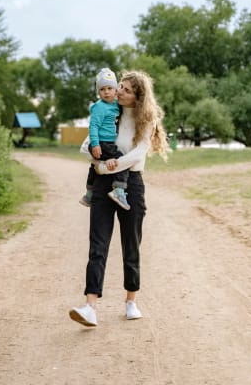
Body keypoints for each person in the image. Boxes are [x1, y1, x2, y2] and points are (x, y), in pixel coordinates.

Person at [69, 70, 169, 327]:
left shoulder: (146, 119)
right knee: (98, 245)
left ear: (138, 95)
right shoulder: (108, 111)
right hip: (103, 184)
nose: (118, 91)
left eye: (125, 89)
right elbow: (85, 145)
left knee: (131, 244)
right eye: (119, 87)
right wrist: (98, 163)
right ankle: (90, 307)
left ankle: (131, 301)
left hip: (132, 185)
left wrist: (109, 166)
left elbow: (138, 154)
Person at [80, 68, 130, 210]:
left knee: (93, 167)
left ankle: (89, 193)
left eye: (109, 88)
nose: (106, 92)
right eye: (102, 89)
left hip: (106, 144)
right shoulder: (98, 107)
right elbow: (93, 126)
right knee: (120, 158)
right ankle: (119, 189)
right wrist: (95, 144)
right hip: (101, 143)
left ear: (116, 90)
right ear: (98, 92)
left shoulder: (116, 105)